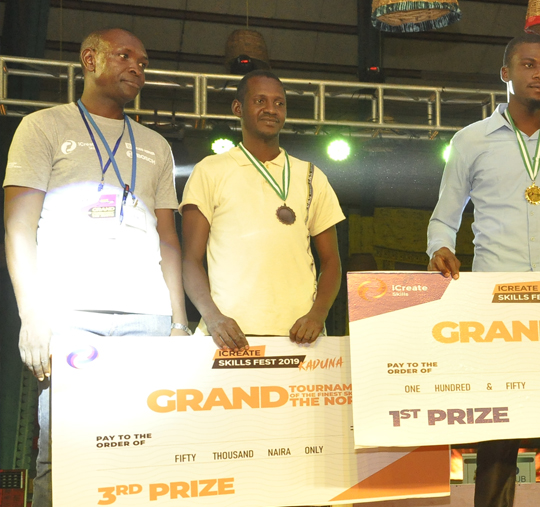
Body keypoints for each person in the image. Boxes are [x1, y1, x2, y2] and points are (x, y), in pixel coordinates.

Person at [3, 28, 188, 507]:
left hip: (147, 317)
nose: (137, 68)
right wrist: (32, 318)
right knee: (64, 456)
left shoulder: (156, 146)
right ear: (90, 59)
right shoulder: (43, 127)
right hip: (70, 318)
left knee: (145, 454)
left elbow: (169, 239)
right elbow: (18, 229)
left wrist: (179, 322)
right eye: (125, 56)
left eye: (143, 62)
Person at [426, 34, 540, 507]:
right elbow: (445, 216)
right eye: (529, 65)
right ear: (505, 73)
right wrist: (440, 249)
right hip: (497, 305)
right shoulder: (470, 140)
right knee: (498, 435)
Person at [180, 70, 344, 349]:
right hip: (228, 336)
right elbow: (190, 260)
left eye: (279, 103)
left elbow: (331, 262)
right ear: (238, 108)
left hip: (301, 335)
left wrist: (318, 314)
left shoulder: (311, 175)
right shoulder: (210, 170)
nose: (271, 109)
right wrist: (213, 317)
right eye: (260, 101)